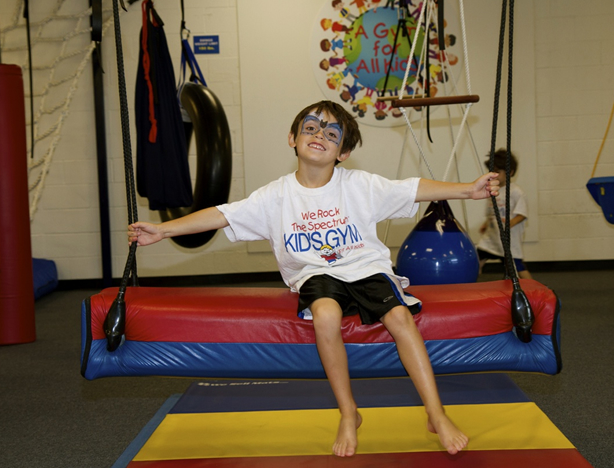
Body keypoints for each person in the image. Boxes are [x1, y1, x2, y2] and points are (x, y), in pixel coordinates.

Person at [128, 100, 499, 457]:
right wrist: (163, 230)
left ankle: (436, 413)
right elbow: (221, 215)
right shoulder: (274, 197)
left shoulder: (358, 185)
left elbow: (413, 187)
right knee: (325, 316)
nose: (319, 133)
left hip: (366, 267)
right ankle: (348, 412)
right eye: (310, 127)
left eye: (332, 133)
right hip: (317, 274)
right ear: (293, 139)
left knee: (400, 317)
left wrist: (467, 190)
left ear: (343, 152)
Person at [477, 148, 532, 280]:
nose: (493, 175)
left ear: (510, 172)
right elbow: (492, 212)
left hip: (508, 239)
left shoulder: (516, 192)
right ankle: (472, 286)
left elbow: (522, 214)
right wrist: (486, 224)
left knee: (516, 267)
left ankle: (535, 290)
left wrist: (510, 223)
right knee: (476, 260)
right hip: (492, 237)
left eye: (497, 172)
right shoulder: (492, 189)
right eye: (492, 171)